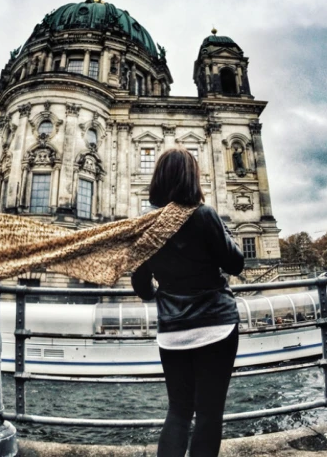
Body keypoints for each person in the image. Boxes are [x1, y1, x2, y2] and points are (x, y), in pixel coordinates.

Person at [132, 147, 244, 457]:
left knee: (178, 411)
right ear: (191, 178)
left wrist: (160, 296)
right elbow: (235, 263)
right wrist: (224, 233)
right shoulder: (204, 214)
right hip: (216, 326)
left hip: (173, 330)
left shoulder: (147, 223)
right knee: (209, 413)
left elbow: (140, 285)